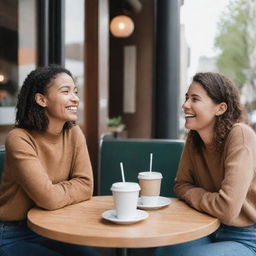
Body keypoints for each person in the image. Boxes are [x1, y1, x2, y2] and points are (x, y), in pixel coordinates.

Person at [0, 66, 99, 256]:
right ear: (41, 99)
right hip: (14, 232)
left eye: (75, 92)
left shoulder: (74, 133)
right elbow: (48, 198)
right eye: (65, 91)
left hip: (56, 227)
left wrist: (54, 193)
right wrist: (64, 190)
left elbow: (86, 186)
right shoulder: (19, 138)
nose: (75, 98)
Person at [155, 72, 256, 256]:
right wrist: (210, 198)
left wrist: (193, 193)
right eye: (186, 98)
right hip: (206, 227)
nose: (185, 105)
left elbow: (227, 210)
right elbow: (180, 185)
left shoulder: (241, 135)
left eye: (195, 99)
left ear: (220, 108)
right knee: (163, 250)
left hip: (246, 237)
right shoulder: (194, 138)